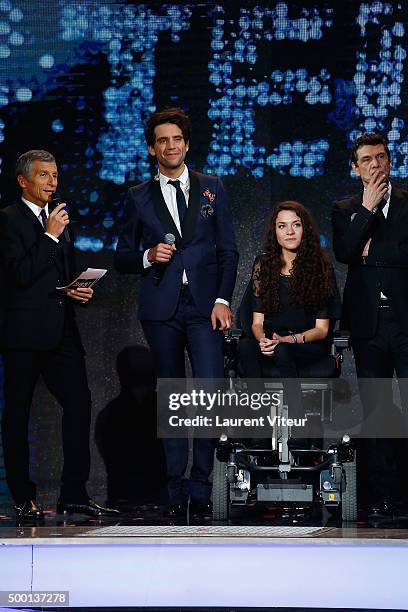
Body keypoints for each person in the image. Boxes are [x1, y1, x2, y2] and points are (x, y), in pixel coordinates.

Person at [115, 108, 238, 516]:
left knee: (207, 394)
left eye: (177, 139)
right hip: (161, 309)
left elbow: (229, 251)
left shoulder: (212, 188)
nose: (171, 146)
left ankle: (200, 484)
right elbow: (123, 257)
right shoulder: (137, 195)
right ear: (152, 148)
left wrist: (222, 300)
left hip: (205, 308)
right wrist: (148, 255)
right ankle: (173, 489)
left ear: (187, 143)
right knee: (171, 398)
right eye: (162, 140)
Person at [0, 150, 118, 520]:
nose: (52, 181)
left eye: (55, 174)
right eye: (43, 175)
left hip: (61, 332)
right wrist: (50, 236)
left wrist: (77, 290)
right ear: (23, 181)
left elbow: (59, 274)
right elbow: (19, 275)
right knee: (18, 415)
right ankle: (23, 497)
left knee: (80, 404)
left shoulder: (59, 220)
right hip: (22, 334)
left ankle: (74, 494)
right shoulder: (7, 221)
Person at [332, 132, 408, 518]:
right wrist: (367, 210)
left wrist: (372, 252)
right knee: (377, 413)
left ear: (390, 162)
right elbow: (346, 253)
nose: (375, 165)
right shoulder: (344, 209)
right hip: (368, 325)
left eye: (380, 157)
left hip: (406, 321)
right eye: (366, 160)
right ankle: (384, 496)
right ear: (355, 167)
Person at [239, 201, 339, 446]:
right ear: (275, 232)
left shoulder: (319, 267)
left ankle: (299, 426)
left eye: (296, 225)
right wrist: (263, 339)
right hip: (274, 340)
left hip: (306, 343)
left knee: (284, 350)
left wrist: (288, 340)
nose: (290, 232)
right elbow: (256, 321)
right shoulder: (263, 266)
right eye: (282, 226)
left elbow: (322, 329)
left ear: (305, 229)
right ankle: (259, 421)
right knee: (245, 347)